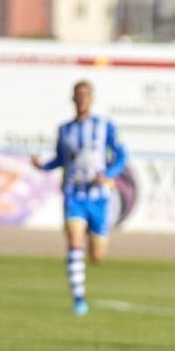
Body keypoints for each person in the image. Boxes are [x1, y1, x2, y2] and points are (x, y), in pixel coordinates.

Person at [32, 80, 127, 316]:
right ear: (73, 99)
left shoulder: (104, 126)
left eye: (86, 95)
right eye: (79, 95)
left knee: (97, 256)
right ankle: (79, 300)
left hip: (99, 198)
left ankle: (92, 247)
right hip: (75, 194)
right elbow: (60, 159)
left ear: (92, 98)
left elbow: (121, 155)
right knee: (74, 243)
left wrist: (109, 174)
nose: (82, 99)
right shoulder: (65, 130)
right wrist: (43, 166)